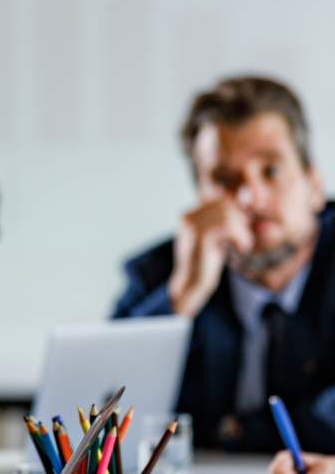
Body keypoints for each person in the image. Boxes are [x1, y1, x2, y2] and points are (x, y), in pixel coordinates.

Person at [114, 76, 335, 452]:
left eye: (271, 171)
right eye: (225, 180)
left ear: (314, 186)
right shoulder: (160, 273)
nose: (250, 198)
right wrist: (180, 300)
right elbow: (101, 412)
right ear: (200, 197)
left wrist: (235, 433)